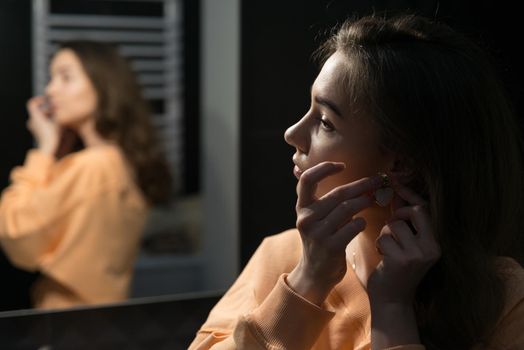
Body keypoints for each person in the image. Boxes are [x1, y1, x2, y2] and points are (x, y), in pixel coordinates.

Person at [189, 14, 524, 350]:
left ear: (401, 164)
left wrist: (393, 311)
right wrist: (307, 281)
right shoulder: (280, 256)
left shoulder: (503, 298)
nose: (292, 134)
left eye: (325, 121)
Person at [0, 40, 172, 309]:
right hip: (101, 320)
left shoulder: (93, 167)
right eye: (51, 78)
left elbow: (17, 232)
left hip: (67, 322)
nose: (50, 90)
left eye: (65, 77)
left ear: (102, 85)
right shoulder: (120, 161)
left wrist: (44, 149)